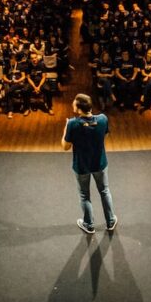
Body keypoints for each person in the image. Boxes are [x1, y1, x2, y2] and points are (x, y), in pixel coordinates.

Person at [61, 93, 117, 235]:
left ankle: (89, 225)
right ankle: (110, 221)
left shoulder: (72, 124)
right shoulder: (103, 119)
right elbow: (103, 136)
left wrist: (65, 130)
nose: (72, 104)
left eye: (74, 103)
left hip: (81, 166)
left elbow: (65, 147)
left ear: (78, 108)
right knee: (104, 191)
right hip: (100, 163)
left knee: (85, 196)